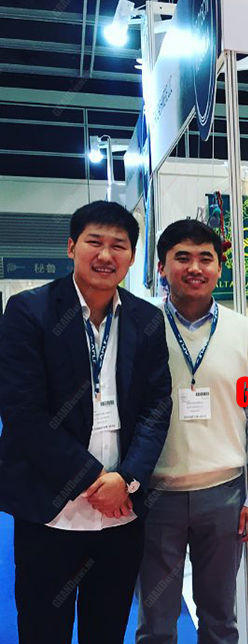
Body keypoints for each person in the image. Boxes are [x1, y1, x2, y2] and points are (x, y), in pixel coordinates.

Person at [0, 201, 173, 644]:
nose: (106, 255)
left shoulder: (146, 319)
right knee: (43, 631)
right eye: (95, 242)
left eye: (119, 245)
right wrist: (95, 480)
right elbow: (22, 412)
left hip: (121, 516)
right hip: (51, 511)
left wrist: (127, 480)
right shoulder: (29, 311)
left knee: (107, 630)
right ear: (71, 246)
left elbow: (157, 407)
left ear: (131, 257)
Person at [137, 219, 248, 644]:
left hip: (224, 496)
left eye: (206, 258)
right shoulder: (139, 325)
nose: (195, 268)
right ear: (162, 267)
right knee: (156, 622)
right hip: (154, 495)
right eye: (182, 257)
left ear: (220, 267)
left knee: (219, 619)